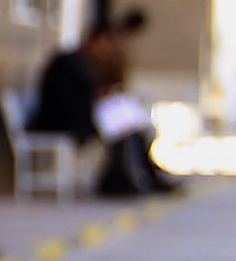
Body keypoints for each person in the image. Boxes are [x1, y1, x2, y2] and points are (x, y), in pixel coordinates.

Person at [29, 13, 177, 197]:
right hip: (61, 120)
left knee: (130, 129)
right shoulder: (68, 62)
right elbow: (65, 99)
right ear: (96, 40)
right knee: (122, 127)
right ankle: (119, 179)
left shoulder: (83, 62)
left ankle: (137, 176)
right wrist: (95, 98)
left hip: (78, 116)